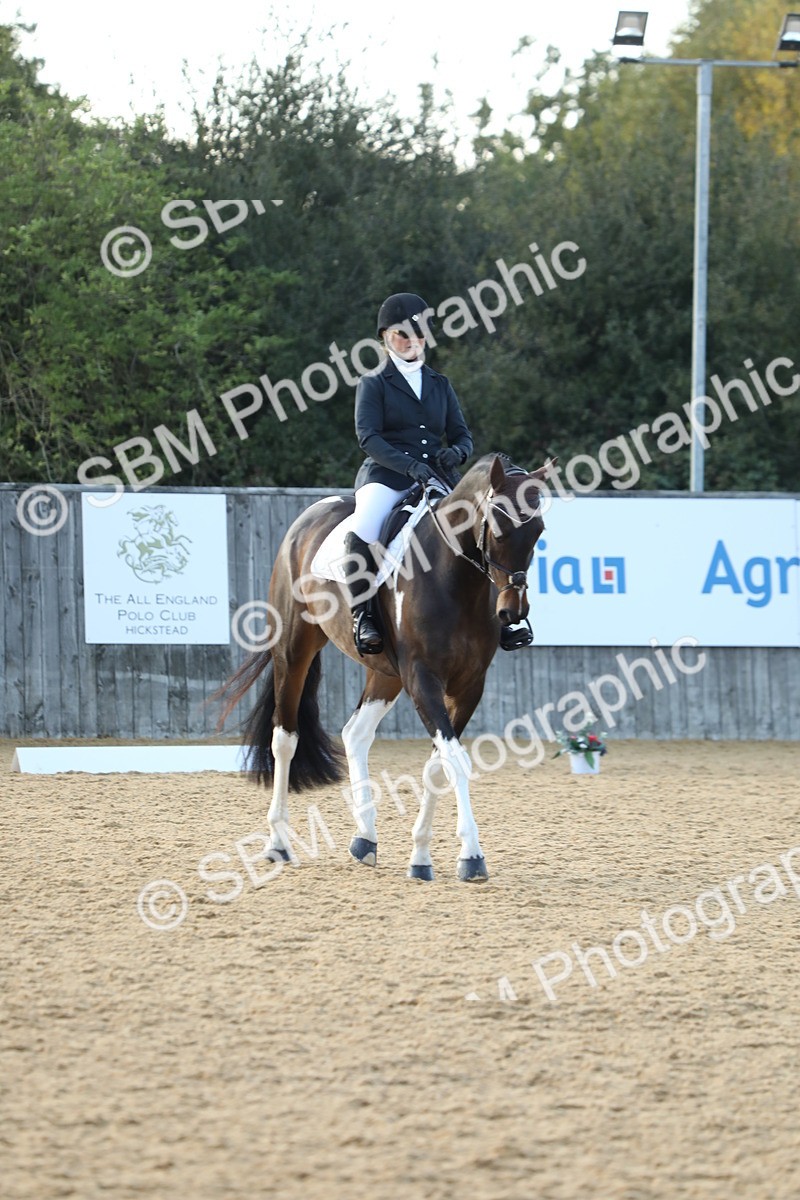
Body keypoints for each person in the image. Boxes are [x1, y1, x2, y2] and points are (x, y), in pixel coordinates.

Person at [344, 292, 473, 655]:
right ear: (386, 337)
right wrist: (409, 465)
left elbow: (462, 434)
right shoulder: (375, 383)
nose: (412, 341)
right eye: (403, 335)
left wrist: (456, 452)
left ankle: (499, 618)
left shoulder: (440, 384)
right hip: (387, 476)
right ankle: (363, 614)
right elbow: (368, 437)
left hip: (436, 477)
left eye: (418, 334)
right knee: (365, 527)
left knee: (479, 528)